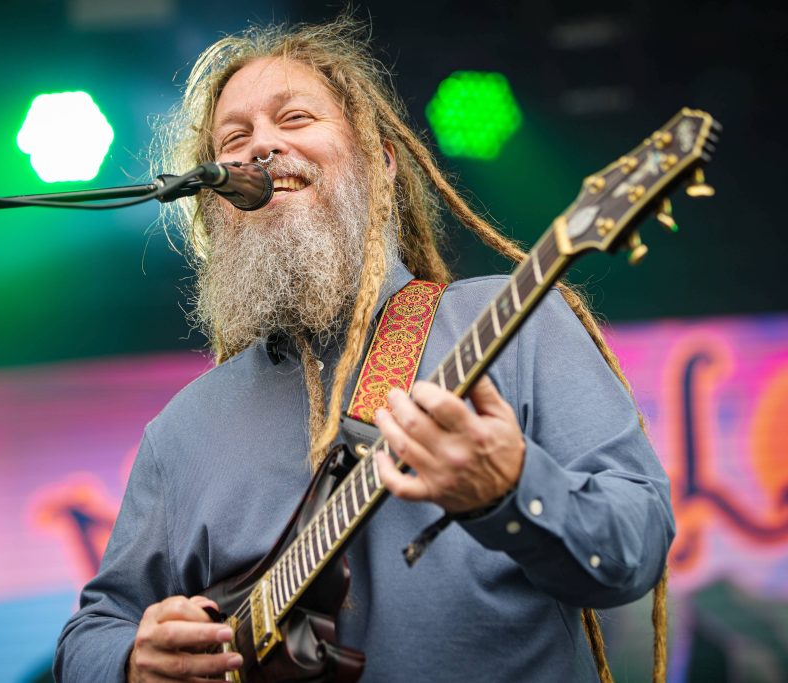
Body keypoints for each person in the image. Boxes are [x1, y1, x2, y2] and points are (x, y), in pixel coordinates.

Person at [54, 16, 674, 683]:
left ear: (380, 163)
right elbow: (92, 632)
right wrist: (130, 660)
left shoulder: (514, 322)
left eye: (294, 118)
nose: (261, 145)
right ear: (211, 204)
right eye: (233, 139)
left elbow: (635, 545)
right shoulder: (181, 432)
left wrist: (511, 492)